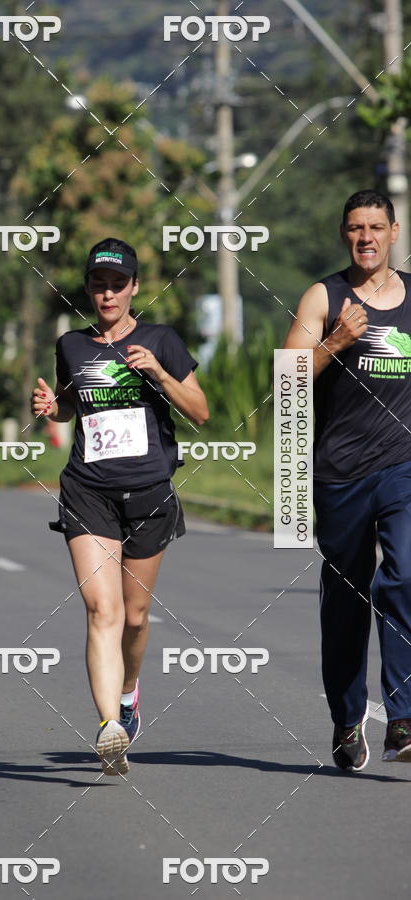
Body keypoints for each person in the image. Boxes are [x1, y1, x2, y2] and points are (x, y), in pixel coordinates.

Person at [31, 237, 208, 774]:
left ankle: (129, 692)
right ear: (88, 288)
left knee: (134, 616)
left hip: (150, 493)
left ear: (134, 288)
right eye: (98, 284)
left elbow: (199, 411)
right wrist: (52, 407)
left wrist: (157, 371)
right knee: (100, 610)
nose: (107, 294)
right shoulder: (71, 345)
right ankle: (109, 725)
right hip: (88, 490)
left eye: (117, 285)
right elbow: (70, 407)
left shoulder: (162, 340)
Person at [283, 190, 411, 770]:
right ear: (344, 234)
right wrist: (335, 341)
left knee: (406, 576)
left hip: (403, 466)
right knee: (346, 601)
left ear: (394, 231)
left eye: (376, 227)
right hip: (339, 473)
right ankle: (346, 717)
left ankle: (403, 717)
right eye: (356, 228)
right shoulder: (324, 296)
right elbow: (288, 379)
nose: (367, 237)